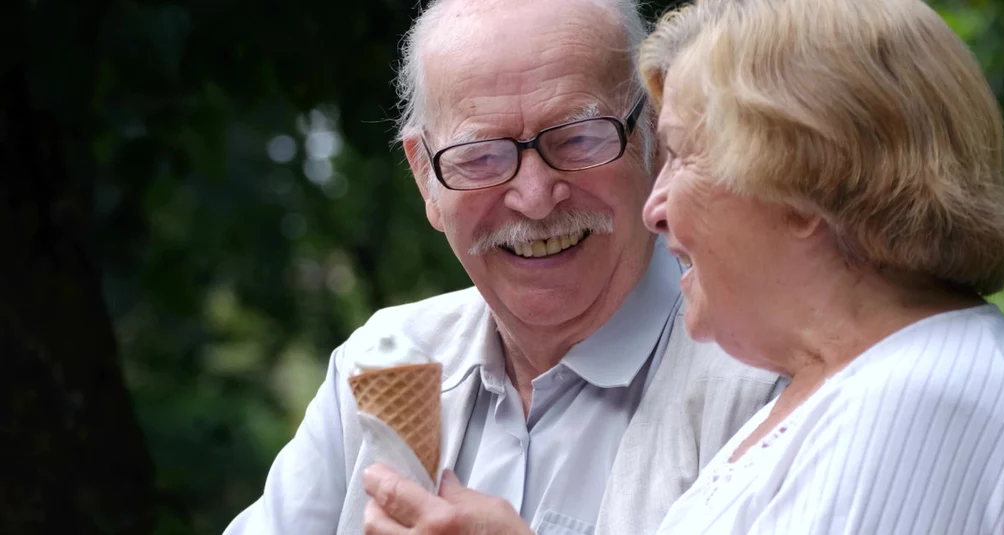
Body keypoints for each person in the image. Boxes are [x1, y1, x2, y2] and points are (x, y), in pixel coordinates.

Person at [359, 0, 1004, 533]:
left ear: (804, 189)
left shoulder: (918, 396)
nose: (654, 204)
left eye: (678, 153)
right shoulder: (842, 385)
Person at [224, 0, 782, 533]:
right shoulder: (376, 366)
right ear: (425, 177)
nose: (536, 198)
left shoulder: (763, 380)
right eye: (482, 156)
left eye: (578, 139)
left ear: (653, 139)